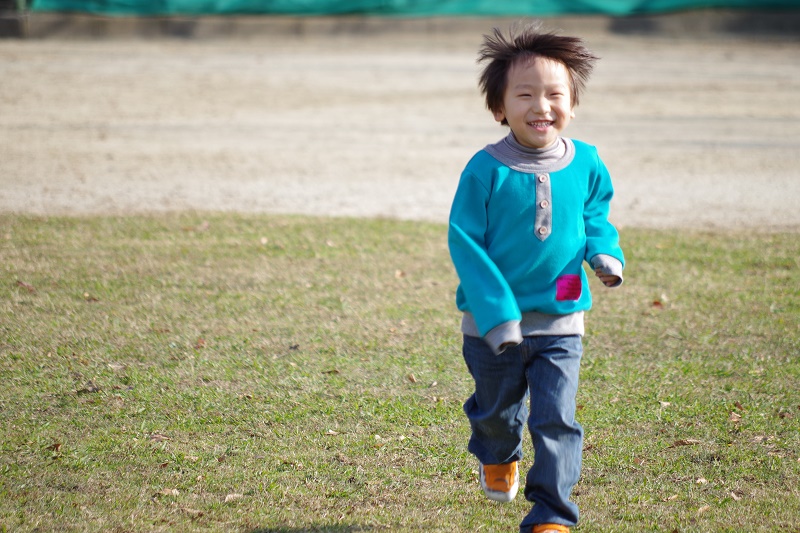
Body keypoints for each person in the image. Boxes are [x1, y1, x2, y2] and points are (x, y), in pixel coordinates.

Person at [447, 21, 625, 533]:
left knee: (557, 420)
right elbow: (465, 243)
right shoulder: (485, 169)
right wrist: (498, 315)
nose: (540, 105)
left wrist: (604, 253)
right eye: (524, 94)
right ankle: (497, 454)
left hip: (563, 312)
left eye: (554, 94)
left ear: (572, 104)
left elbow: (596, 217)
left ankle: (552, 516)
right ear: (500, 108)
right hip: (490, 326)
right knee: (497, 415)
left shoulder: (587, 161)